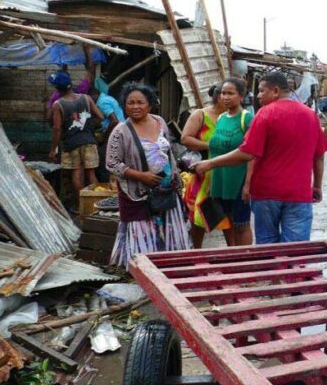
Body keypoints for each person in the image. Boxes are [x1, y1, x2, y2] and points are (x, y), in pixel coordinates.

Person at [193, 72, 327, 244]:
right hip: (299, 193)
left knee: (267, 247)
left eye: (261, 90)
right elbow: (319, 156)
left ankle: (271, 270)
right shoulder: (310, 115)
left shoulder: (265, 114)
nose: (257, 95)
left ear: (276, 91)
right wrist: (316, 186)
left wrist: (210, 163)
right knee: (296, 248)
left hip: (267, 193)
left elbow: (247, 152)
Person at [106, 83, 191, 268]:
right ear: (124, 105)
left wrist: (174, 176)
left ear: (150, 104)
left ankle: (171, 267)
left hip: (166, 189)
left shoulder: (159, 122)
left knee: (170, 228)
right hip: (137, 193)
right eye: (130, 103)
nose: (135, 107)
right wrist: (141, 176)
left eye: (140, 102)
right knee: (142, 232)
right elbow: (112, 163)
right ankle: (144, 271)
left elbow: (168, 150)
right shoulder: (120, 131)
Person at [180, 84, 230, 248]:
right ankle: (196, 256)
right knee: (199, 218)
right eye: (225, 95)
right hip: (204, 175)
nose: (229, 100)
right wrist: (211, 145)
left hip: (229, 174)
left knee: (229, 219)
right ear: (217, 98)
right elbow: (185, 139)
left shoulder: (235, 117)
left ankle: (235, 258)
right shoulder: (200, 115)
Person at [208, 77, 254, 246]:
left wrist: (248, 184)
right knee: (227, 225)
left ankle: (246, 261)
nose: (225, 97)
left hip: (238, 181)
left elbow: (252, 153)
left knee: (241, 225)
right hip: (220, 180)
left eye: (230, 93)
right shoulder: (221, 118)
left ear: (241, 96)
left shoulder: (246, 118)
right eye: (222, 93)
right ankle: (233, 259)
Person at [49, 70, 104, 205]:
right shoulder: (86, 98)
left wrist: (53, 149)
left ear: (57, 88)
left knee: (76, 173)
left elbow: (57, 128)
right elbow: (101, 117)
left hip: (71, 143)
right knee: (91, 173)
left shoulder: (58, 105)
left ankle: (81, 206)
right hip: (89, 141)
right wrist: (89, 127)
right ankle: (97, 204)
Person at [94, 77, 125, 182]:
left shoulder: (102, 102)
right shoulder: (108, 98)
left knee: (105, 164)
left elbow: (114, 120)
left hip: (115, 134)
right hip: (121, 133)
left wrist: (105, 137)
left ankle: (107, 189)